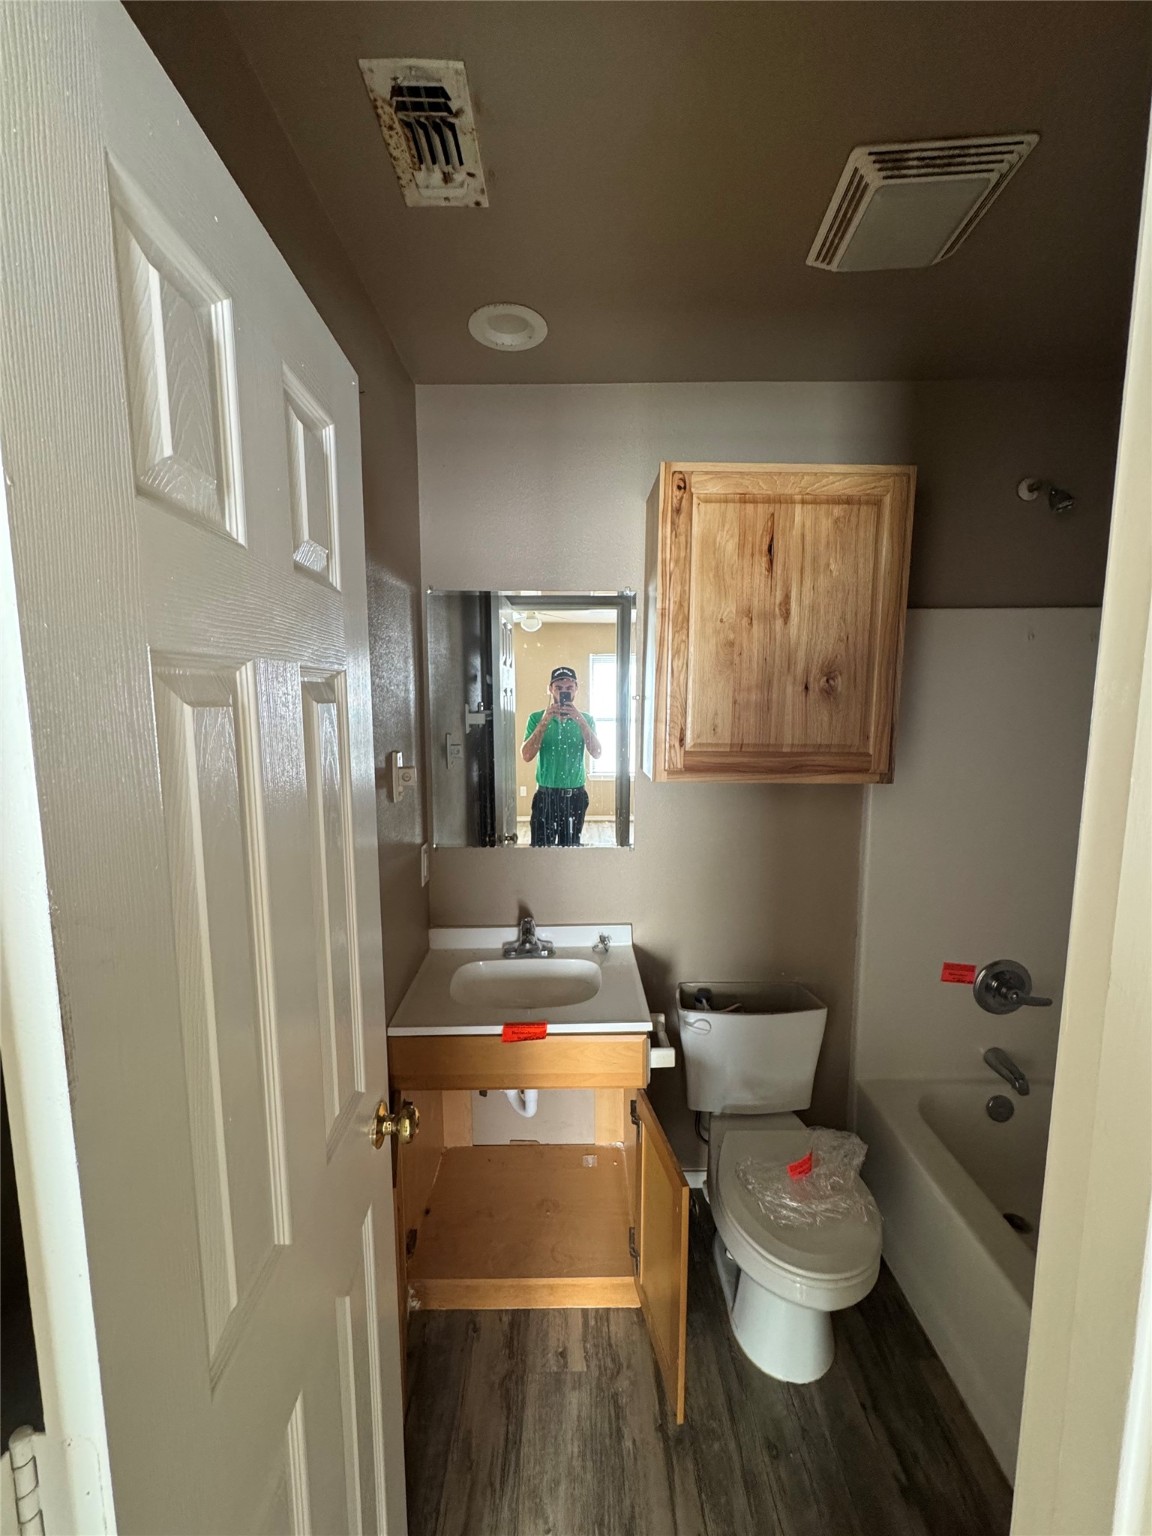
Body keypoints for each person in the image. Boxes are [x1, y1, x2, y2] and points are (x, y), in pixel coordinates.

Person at [521, 666, 602, 846]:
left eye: (569, 688)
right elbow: (526, 755)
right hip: (545, 797)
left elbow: (597, 753)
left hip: (575, 797)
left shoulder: (586, 719)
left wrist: (580, 721)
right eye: (558, 688)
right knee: (540, 852)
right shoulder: (536, 718)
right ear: (550, 689)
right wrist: (544, 721)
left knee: (570, 852)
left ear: (576, 689)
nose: (564, 692)